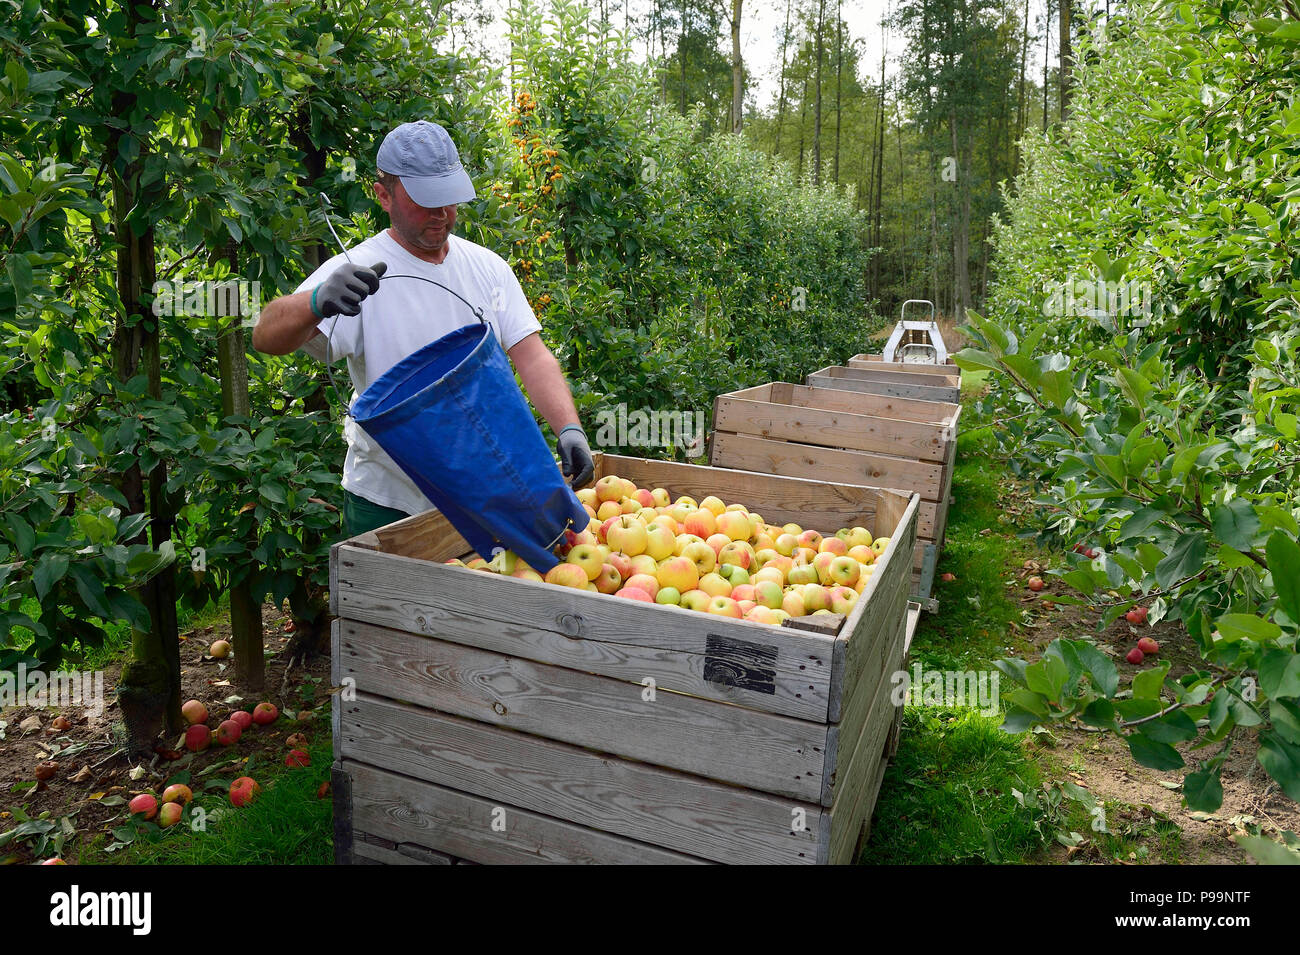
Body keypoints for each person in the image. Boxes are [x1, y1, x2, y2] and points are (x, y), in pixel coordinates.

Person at [252, 120, 594, 536]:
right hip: (389, 504)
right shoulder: (357, 274)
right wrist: (313, 301)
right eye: (425, 201)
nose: (442, 214)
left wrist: (569, 427)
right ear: (384, 195)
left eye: (448, 200)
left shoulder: (487, 268)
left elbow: (532, 355)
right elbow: (266, 337)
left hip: (481, 496)